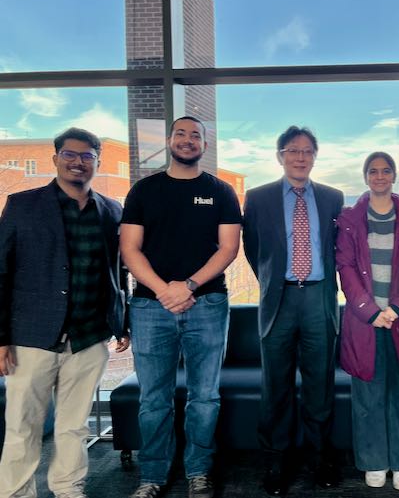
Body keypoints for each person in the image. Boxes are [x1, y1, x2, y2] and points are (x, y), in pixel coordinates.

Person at [0, 127, 129, 498]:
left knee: (74, 427)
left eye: (87, 156)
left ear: (97, 162)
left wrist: (122, 322)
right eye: (70, 154)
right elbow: (1, 271)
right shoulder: (22, 204)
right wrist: (2, 337)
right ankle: (16, 493)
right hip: (32, 336)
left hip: (89, 336)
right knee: (23, 427)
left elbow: (117, 271)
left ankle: (69, 489)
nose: (78, 162)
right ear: (56, 158)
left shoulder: (111, 210)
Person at [120, 116, 241, 498]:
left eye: (195, 135)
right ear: (170, 140)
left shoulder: (221, 191)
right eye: (181, 134)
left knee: (204, 397)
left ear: (205, 144)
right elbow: (129, 249)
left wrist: (188, 286)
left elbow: (229, 248)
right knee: (153, 399)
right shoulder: (143, 190)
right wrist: (164, 291)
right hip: (149, 307)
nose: (188, 140)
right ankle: (152, 476)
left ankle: (198, 472)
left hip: (207, 303)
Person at [243, 125, 344, 496]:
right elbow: (253, 248)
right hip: (279, 299)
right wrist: (274, 281)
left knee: (320, 384)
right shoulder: (258, 197)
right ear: (280, 156)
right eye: (293, 150)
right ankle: (276, 459)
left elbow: (338, 247)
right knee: (276, 385)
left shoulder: (333, 197)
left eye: (307, 151)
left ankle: (321, 457)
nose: (300, 157)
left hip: (319, 298)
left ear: (315, 157)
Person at [336, 152, 399, 491]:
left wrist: (397, 308)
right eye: (373, 171)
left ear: (394, 175)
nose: (379, 176)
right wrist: (370, 311)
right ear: (365, 177)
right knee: (368, 394)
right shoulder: (349, 219)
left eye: (385, 170)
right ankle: (374, 460)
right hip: (364, 321)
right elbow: (345, 267)